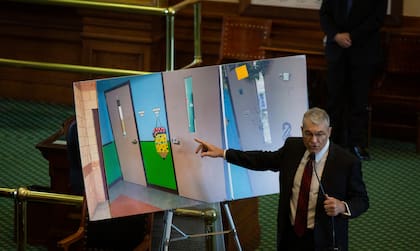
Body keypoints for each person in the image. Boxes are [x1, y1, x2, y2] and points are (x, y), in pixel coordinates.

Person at [195, 107, 369, 251]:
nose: (314, 141)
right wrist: (223, 153)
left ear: (329, 132)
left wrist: (342, 206)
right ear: (301, 130)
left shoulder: (346, 162)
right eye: (308, 134)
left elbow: (361, 200)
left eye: (320, 134)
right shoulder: (293, 147)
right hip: (290, 236)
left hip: (324, 241)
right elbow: (262, 160)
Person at [319, 0, 388, 161]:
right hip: (337, 51)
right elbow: (324, 14)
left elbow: (377, 19)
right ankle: (331, 142)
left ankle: (356, 144)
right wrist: (336, 35)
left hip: (364, 51)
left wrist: (351, 36)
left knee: (359, 100)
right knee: (333, 99)